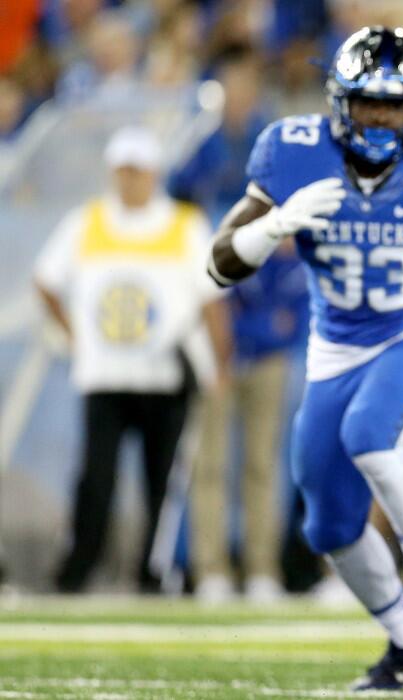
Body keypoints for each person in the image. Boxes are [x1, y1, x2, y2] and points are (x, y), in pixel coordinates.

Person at [206, 27, 403, 691]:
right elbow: (219, 264)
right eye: (367, 102)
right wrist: (272, 226)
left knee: (370, 433)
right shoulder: (294, 151)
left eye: (395, 105)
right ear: (339, 100)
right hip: (334, 350)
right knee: (329, 526)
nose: (381, 117)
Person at [34, 126, 224, 593]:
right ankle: (80, 568)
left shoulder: (184, 224)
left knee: (163, 481)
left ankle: (151, 572)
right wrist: (76, 336)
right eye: (123, 171)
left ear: (154, 173)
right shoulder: (88, 221)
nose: (130, 180)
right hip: (105, 374)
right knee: (96, 477)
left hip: (167, 374)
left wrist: (217, 362)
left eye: (137, 171)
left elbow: (211, 298)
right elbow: (46, 280)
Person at [169, 45, 303, 604]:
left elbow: (295, 224)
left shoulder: (274, 149)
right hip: (213, 326)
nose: (239, 92)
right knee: (210, 462)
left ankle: (261, 568)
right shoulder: (199, 146)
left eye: (247, 81)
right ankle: (211, 568)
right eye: (231, 82)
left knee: (261, 462)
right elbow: (177, 211)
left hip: (266, 330)